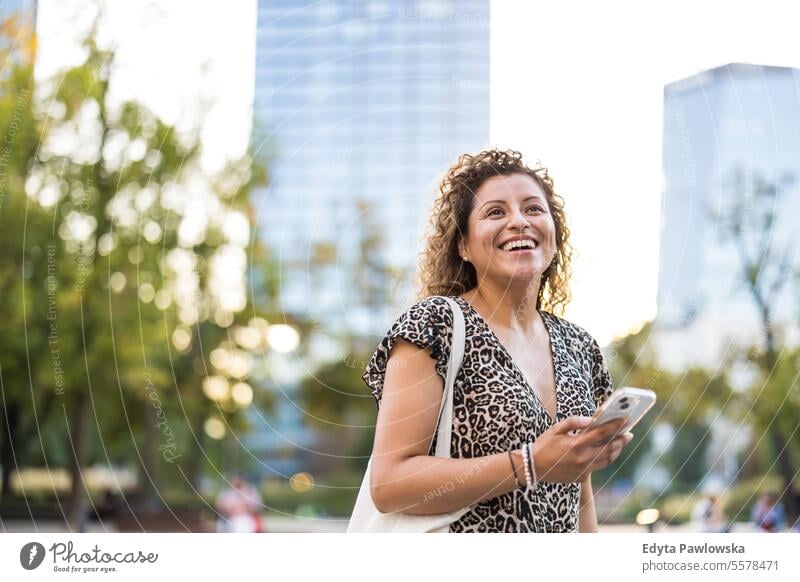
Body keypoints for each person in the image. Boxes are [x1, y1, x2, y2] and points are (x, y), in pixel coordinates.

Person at [362, 148, 634, 532]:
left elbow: (579, 489)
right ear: (464, 246)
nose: (519, 221)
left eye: (533, 209)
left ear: (554, 237)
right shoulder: (435, 325)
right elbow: (389, 483)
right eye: (495, 212)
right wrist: (531, 464)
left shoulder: (580, 345)